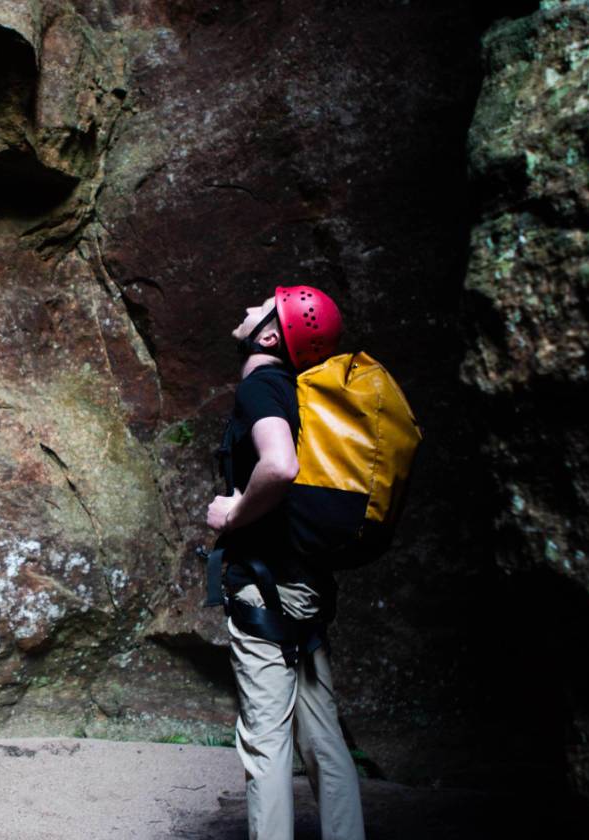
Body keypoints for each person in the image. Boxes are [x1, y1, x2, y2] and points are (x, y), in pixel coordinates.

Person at [206, 286, 363, 840]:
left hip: (265, 587)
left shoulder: (261, 387)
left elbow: (279, 465)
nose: (247, 308)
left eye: (261, 307)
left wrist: (232, 514)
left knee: (266, 744)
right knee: (322, 739)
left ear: (270, 334)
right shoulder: (295, 390)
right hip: (304, 585)